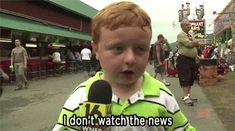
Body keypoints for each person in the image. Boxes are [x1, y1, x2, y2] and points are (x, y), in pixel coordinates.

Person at [52, 2, 195, 131]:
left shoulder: (162, 96)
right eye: (118, 48)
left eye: (140, 49)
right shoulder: (82, 97)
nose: (130, 59)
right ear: (96, 49)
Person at [176, 20, 199, 106]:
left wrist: (195, 43)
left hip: (191, 60)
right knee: (185, 77)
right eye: (186, 25)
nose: (189, 26)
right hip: (183, 59)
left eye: (189, 24)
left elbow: (196, 44)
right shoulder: (181, 35)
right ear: (182, 27)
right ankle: (186, 97)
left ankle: (188, 95)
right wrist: (195, 42)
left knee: (190, 78)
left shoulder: (190, 34)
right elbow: (189, 44)